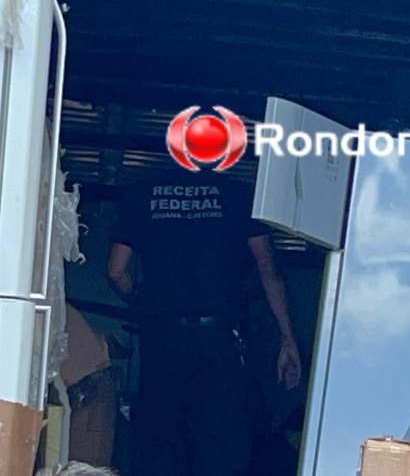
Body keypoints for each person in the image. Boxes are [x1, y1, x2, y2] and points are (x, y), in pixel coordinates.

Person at [107, 169, 301, 476]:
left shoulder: (144, 191)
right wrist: (288, 338)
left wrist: (141, 303)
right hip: (220, 339)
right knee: (220, 442)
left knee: (157, 438)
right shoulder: (241, 195)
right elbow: (268, 270)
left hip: (163, 336)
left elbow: (116, 271)